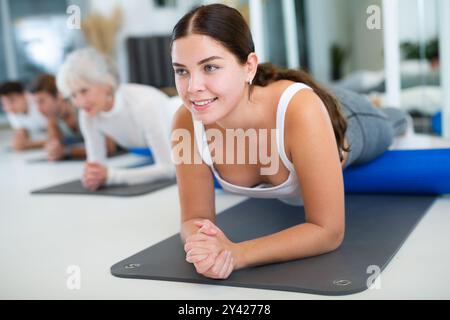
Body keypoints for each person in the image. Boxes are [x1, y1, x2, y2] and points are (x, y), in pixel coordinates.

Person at [170, 4, 409, 280]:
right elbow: (193, 218)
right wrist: (204, 248)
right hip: (290, 102)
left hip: (351, 117)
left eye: (210, 67)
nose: (192, 87)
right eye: (181, 71)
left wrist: (235, 254)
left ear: (248, 67)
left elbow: (328, 231)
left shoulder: (300, 110)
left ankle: (391, 109)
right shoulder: (186, 121)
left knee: (391, 122)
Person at [56, 48, 180, 191]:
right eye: (73, 95)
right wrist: (93, 176)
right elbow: (96, 165)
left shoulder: (144, 105)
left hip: (195, 129)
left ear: (107, 85)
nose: (80, 102)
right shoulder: (88, 114)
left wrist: (111, 176)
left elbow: (168, 169)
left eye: (84, 91)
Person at [0, 81, 47, 151]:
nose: (9, 107)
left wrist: (28, 145)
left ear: (25, 95)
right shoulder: (13, 112)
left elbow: (56, 139)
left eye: (12, 101)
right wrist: (18, 142)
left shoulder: (39, 104)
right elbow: (22, 133)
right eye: (4, 104)